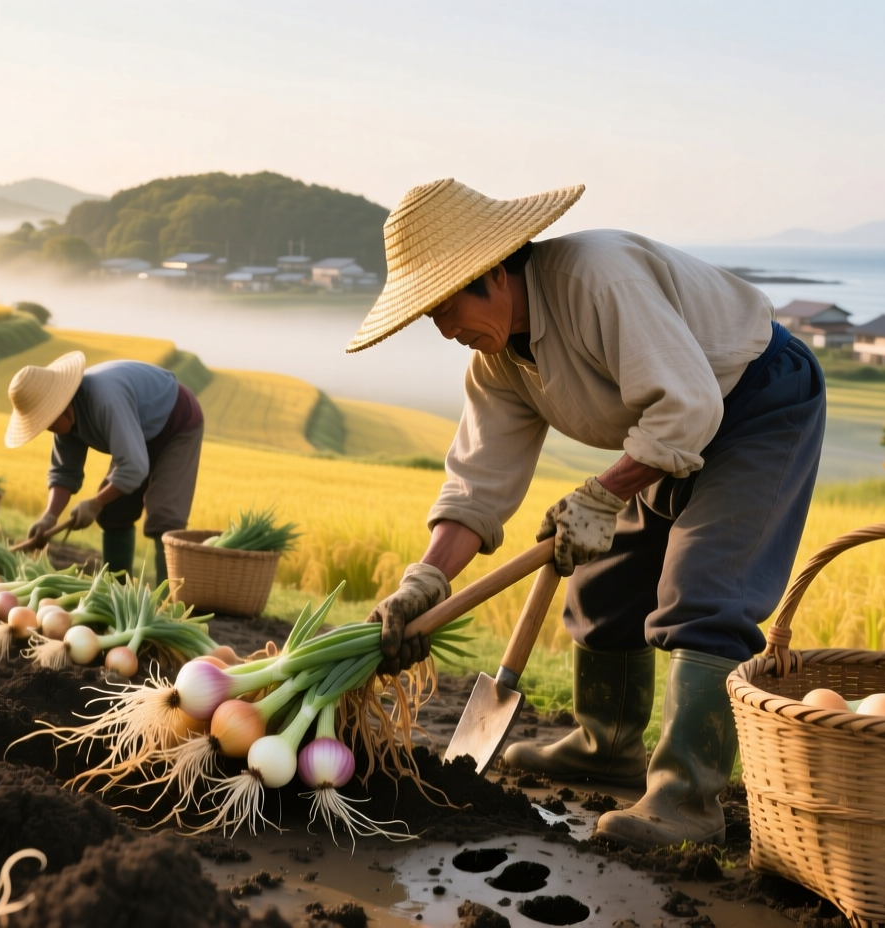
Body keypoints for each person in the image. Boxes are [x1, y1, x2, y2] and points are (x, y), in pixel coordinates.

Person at [347, 179, 825, 849]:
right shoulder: (498, 363)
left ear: (492, 273)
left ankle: (687, 801)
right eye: (430, 316)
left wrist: (603, 495)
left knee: (704, 594)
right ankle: (609, 746)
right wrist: (425, 580)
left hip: (757, 401)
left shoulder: (596, 278)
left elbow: (688, 406)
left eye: (445, 307)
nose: (445, 329)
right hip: (673, 433)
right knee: (605, 584)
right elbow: (479, 485)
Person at [4, 351, 204, 585]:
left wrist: (95, 503)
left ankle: (171, 603)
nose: (47, 428)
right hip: (137, 428)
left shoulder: (105, 399)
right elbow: (64, 472)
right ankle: (115, 591)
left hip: (176, 425)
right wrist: (49, 516)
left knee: (165, 518)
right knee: (114, 512)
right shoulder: (64, 421)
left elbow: (133, 466)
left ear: (61, 405)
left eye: (46, 421)